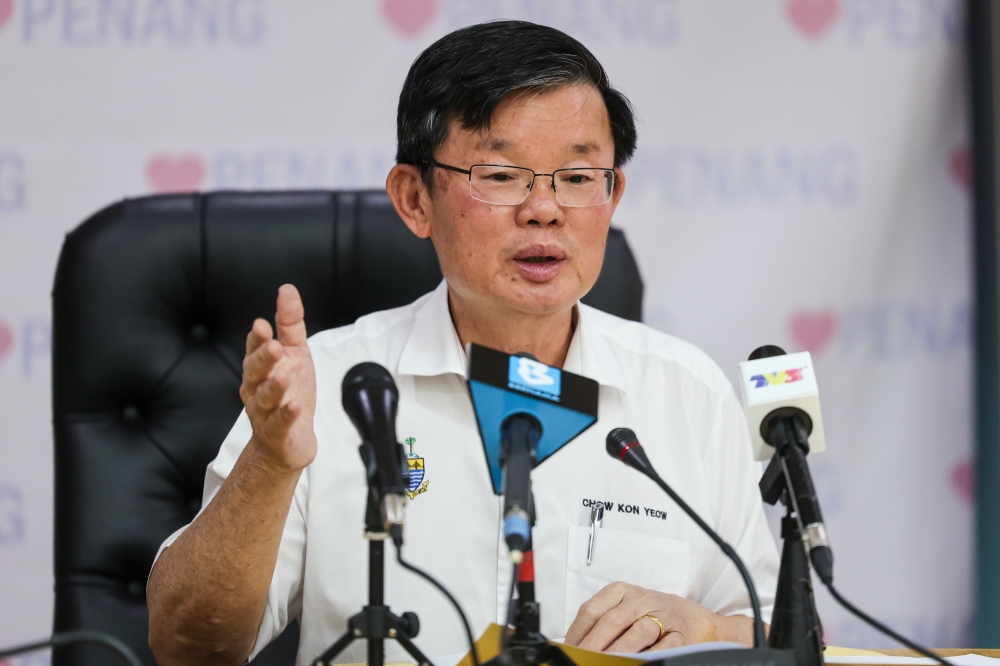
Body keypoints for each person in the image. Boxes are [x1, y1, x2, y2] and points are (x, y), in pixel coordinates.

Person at [147, 20, 779, 666]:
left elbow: (778, 636)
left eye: (578, 176)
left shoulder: (685, 392)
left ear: (612, 194)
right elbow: (187, 647)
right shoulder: (331, 385)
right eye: (501, 175)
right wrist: (271, 464)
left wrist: (703, 625)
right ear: (414, 199)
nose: (544, 208)